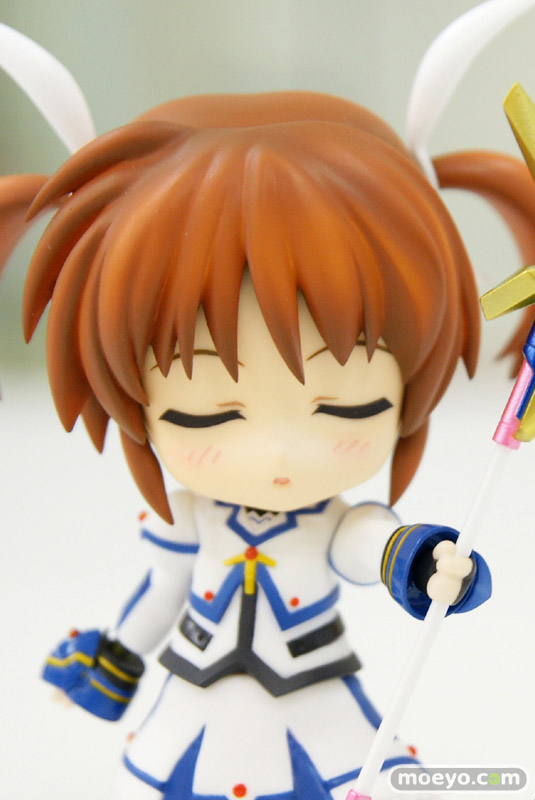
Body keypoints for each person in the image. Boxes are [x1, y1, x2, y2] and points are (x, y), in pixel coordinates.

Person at [2, 90, 534, 799]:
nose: (278, 451)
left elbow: (367, 543)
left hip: (313, 703)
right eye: (209, 416)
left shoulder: (330, 522)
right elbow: (162, 593)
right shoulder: (184, 519)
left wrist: (430, 561)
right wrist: (113, 659)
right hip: (196, 703)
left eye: (342, 408)